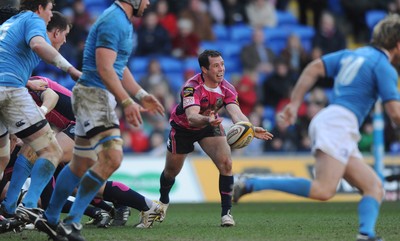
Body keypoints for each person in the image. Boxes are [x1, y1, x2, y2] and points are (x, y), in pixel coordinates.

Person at [233, 15, 400, 241]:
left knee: (374, 187)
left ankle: (366, 235)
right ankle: (251, 183)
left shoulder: (354, 54)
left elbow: (313, 68)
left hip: (335, 122)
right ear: (397, 44)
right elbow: (396, 114)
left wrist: (295, 102)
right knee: (324, 189)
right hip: (338, 124)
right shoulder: (384, 67)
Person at [31, 1, 164, 240]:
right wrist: (126, 101)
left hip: (95, 96)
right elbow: (104, 69)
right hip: (95, 96)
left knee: (81, 165)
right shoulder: (114, 21)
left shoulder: (122, 21)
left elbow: (118, 67)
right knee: (112, 158)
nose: (148, 2)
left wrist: (141, 95)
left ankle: (51, 219)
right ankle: (71, 223)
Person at [149, 49, 273, 227]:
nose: (221, 69)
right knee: (171, 172)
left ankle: (226, 214)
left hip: (210, 126)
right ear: (204, 70)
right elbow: (192, 116)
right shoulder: (191, 87)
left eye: (222, 64)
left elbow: (236, 114)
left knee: (226, 163)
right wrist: (208, 119)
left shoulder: (227, 88)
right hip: (184, 128)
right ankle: (163, 202)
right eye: (216, 66)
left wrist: (250, 128)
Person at [0, 0, 81, 225]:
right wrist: (71, 70)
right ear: (39, 8)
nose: (49, 14)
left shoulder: (9, 24)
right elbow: (37, 44)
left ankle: (7, 209)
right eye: (49, 8)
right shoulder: (32, 19)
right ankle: (30, 207)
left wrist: (26, 81)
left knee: (3, 157)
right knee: (51, 151)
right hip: (9, 91)